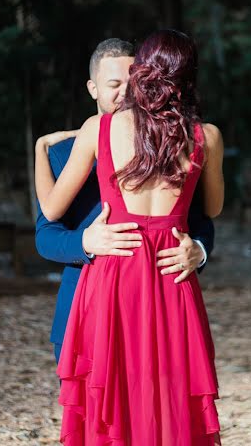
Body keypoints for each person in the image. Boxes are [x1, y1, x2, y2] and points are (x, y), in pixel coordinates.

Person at [35, 30, 224, 445]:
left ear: (143, 73)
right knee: (171, 399)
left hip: (114, 281)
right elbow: (212, 208)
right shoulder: (203, 137)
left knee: (115, 402)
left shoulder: (99, 130)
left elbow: (49, 208)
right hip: (170, 282)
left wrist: (38, 151)